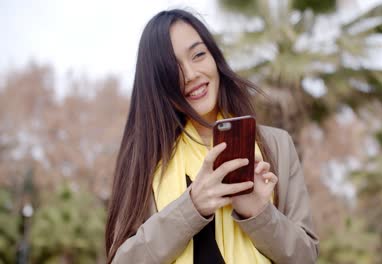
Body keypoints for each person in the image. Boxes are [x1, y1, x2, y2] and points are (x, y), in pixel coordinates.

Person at [105, 9, 319, 264]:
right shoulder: (146, 158)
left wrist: (259, 213)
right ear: (158, 82)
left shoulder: (276, 145)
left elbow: (305, 257)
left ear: (214, 58)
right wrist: (192, 206)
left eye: (198, 55)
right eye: (173, 68)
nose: (191, 74)